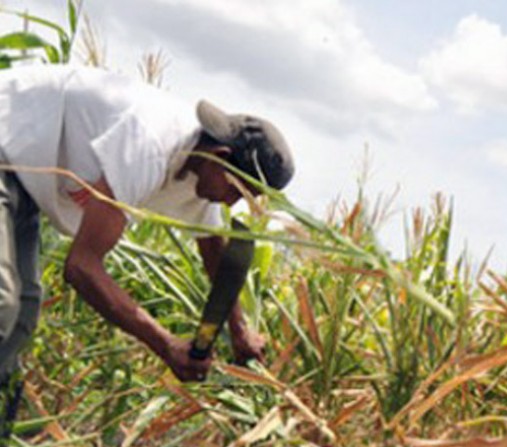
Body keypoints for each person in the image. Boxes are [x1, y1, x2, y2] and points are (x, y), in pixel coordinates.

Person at [0, 64, 294, 389]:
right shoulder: (149, 146)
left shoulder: (202, 173)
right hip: (6, 133)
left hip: (24, 178)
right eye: (236, 192)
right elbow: (82, 267)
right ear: (220, 157)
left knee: (22, 317)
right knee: (2, 304)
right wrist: (166, 344)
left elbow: (214, 252)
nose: (231, 204)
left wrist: (240, 332)